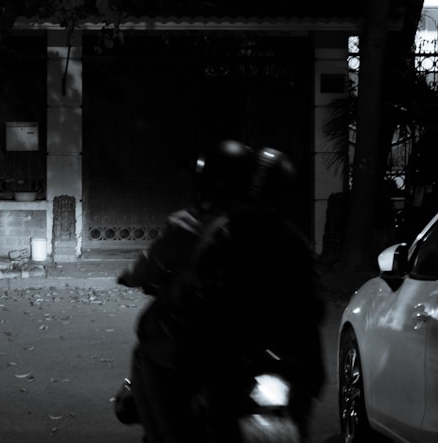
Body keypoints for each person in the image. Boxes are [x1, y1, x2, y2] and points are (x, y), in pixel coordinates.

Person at [117, 141, 325, 442]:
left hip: (232, 361)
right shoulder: (294, 240)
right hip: (289, 362)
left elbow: (198, 296)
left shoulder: (215, 231)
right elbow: (315, 305)